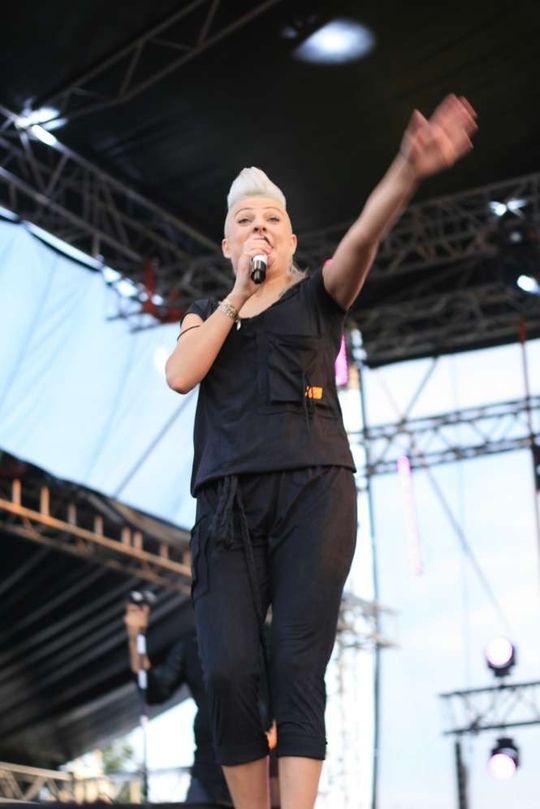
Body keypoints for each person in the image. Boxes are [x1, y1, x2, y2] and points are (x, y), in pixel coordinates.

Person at [165, 94, 477, 809]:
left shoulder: (319, 297)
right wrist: (236, 297)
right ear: (227, 246)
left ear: (292, 240)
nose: (259, 227)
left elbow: (364, 237)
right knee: (227, 670)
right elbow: (181, 374)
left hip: (315, 493)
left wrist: (407, 169)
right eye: (245, 221)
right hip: (227, 506)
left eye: (272, 219)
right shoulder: (204, 315)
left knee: (296, 663)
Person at [124, 600, 233, 806]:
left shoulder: (265, 638)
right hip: (208, 769)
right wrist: (135, 638)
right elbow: (153, 692)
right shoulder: (193, 646)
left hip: (260, 766)